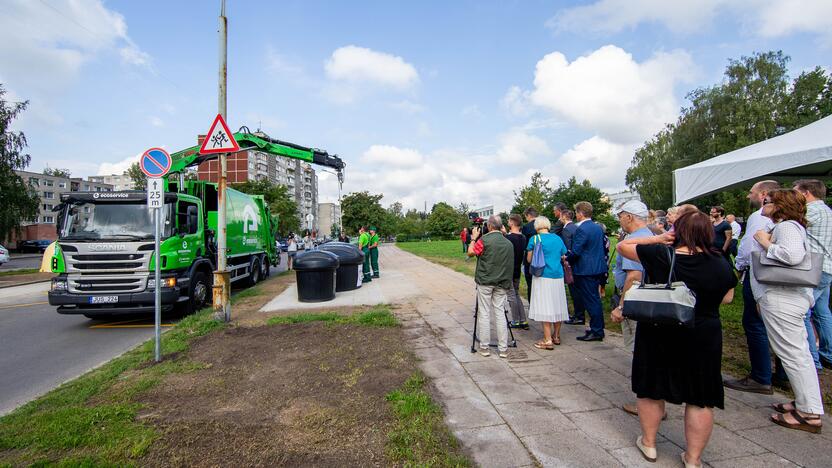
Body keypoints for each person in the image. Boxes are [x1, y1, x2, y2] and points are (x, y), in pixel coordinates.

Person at [617, 211, 737, 467]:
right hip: (702, 330)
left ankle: (649, 443)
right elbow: (728, 298)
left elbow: (623, 245)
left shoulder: (661, 255)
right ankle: (693, 458)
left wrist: (660, 238)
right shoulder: (720, 262)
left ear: (676, 231)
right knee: (700, 396)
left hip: (660, 327)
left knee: (651, 388)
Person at [750, 189, 825, 433]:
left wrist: (764, 242)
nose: (764, 203)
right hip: (783, 297)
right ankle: (805, 402)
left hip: (784, 298)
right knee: (795, 353)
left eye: (768, 201)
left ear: (779, 205)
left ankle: (810, 413)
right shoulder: (789, 227)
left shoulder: (787, 227)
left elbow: (792, 257)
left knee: (793, 354)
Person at [724, 181, 780, 395]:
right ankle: (781, 374)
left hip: (758, 272)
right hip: (778, 275)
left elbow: (748, 247)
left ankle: (761, 376)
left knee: (754, 323)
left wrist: (738, 268)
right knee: (776, 325)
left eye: (751, 192)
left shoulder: (761, 215)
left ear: (764, 194)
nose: (748, 196)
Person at [793, 179, 832, 370]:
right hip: (826, 266)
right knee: (822, 312)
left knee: (803, 312)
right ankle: (828, 353)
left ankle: (813, 361)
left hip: (813, 268)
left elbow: (793, 225)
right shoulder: (827, 210)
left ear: (806, 193)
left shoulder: (812, 211)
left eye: (796, 192)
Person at [467, 215, 514, 358]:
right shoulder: (508, 243)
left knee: (484, 313)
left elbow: (471, 252)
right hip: (502, 282)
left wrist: (474, 238)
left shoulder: (484, 240)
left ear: (490, 226)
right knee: (500, 313)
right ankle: (503, 348)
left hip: (486, 281)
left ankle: (485, 347)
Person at [525, 216, 570, 349]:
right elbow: (563, 255)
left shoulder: (534, 239)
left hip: (542, 276)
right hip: (558, 275)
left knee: (545, 306)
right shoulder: (557, 238)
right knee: (558, 304)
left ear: (536, 226)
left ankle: (547, 339)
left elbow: (529, 259)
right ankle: (556, 336)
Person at [567, 202, 608, 341]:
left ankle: (596, 330)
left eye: (576, 212)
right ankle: (597, 328)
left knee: (591, 301)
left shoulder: (582, 229)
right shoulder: (597, 227)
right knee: (595, 299)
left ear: (580, 213)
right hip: (597, 267)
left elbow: (577, 251)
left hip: (585, 269)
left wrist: (567, 258)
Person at [504, 215, 529, 329]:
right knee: (517, 294)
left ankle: (516, 320)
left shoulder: (509, 238)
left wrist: (504, 234)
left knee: (511, 295)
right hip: (517, 269)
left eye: (509, 220)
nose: (507, 222)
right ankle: (523, 319)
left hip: (509, 270)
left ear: (512, 223)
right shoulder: (523, 237)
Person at [521, 207, 538, 302]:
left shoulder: (527, 227)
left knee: (531, 283)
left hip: (530, 258)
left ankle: (532, 304)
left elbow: (525, 244)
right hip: (543, 258)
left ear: (529, 215)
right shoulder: (544, 225)